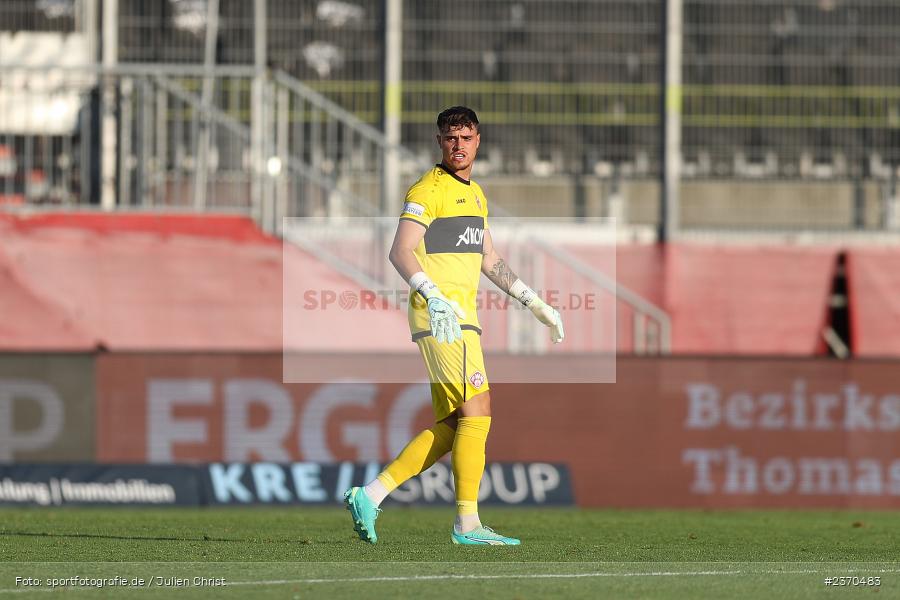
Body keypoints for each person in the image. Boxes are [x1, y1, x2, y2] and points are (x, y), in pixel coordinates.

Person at [344, 106, 564, 546]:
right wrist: (433, 293)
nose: (458, 146)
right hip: (442, 318)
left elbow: (489, 259)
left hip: (462, 319)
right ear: (439, 141)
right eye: (450, 138)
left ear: (478, 140)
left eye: (465, 137)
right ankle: (467, 524)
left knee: (455, 424)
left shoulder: (476, 196)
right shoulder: (428, 189)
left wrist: (533, 301)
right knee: (479, 412)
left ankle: (370, 494)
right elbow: (401, 250)